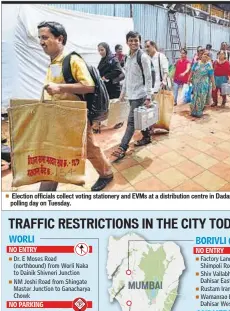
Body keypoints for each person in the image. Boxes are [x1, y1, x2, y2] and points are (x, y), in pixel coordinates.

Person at [37, 21, 113, 191]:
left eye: (45, 37)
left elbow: (89, 85)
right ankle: (47, 191)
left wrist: (60, 88)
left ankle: (106, 173)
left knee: (90, 149)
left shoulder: (72, 59)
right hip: (59, 116)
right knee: (56, 153)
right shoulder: (54, 62)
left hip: (75, 117)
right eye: (40, 38)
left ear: (60, 38)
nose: (41, 42)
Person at [111, 31, 153, 162]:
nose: (133, 43)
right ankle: (147, 137)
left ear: (139, 41)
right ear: (127, 42)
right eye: (131, 40)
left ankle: (122, 147)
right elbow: (127, 77)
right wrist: (123, 93)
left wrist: (149, 96)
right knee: (140, 118)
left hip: (140, 94)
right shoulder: (127, 58)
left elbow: (148, 77)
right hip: (131, 94)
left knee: (131, 122)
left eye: (136, 40)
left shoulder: (143, 57)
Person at [190, 50, 216, 118]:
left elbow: (211, 76)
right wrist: (189, 79)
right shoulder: (196, 63)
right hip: (195, 83)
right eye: (204, 54)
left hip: (204, 84)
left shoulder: (209, 65)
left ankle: (199, 111)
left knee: (202, 97)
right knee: (195, 96)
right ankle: (193, 111)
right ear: (201, 55)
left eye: (207, 55)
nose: (205, 56)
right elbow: (192, 71)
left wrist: (213, 85)